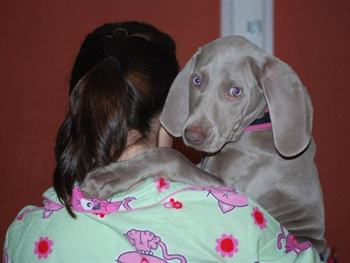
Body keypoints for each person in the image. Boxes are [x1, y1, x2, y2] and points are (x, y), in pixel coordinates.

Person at [4, 21, 321, 262]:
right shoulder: (239, 225)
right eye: (196, 82)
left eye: (234, 92)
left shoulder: (20, 235)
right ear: (172, 101)